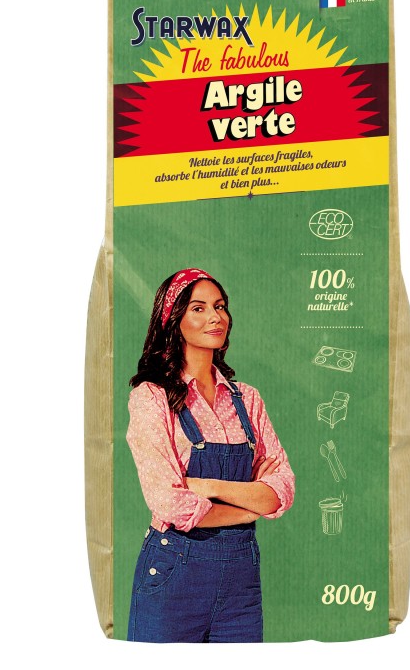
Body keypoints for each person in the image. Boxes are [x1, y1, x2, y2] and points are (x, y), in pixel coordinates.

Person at [125, 267, 295, 642]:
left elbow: (281, 490)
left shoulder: (247, 399)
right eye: (198, 308)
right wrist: (249, 508)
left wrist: (208, 486)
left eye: (219, 306)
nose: (215, 317)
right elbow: (170, 503)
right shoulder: (152, 397)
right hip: (173, 575)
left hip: (241, 584)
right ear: (174, 320)